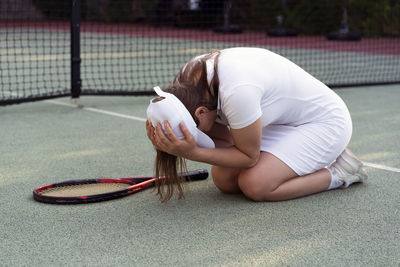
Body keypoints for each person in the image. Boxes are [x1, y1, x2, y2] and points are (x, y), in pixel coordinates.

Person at [146, 47, 367, 202]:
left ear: (201, 112)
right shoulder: (187, 84)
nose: (199, 135)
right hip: (281, 122)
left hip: (324, 123)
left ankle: (340, 173)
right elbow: (225, 142)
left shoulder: (237, 92)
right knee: (225, 180)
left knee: (256, 185)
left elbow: (248, 156)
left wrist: (194, 152)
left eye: (196, 131)